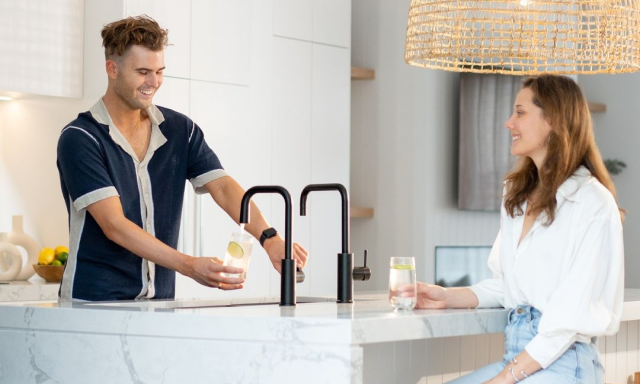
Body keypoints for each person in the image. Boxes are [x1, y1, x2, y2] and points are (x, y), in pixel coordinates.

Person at [56, 15, 308, 302]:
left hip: (159, 304)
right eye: (142, 72)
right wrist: (189, 266)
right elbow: (115, 225)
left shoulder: (180, 130)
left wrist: (270, 237)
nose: (154, 82)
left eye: (159, 71)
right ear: (112, 69)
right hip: (93, 304)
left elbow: (224, 188)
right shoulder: (80, 138)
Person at [407, 75, 624, 383]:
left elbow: (570, 316)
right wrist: (446, 296)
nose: (509, 123)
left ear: (552, 119)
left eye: (520, 112)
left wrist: (506, 378)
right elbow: (509, 285)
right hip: (519, 358)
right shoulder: (517, 195)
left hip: (565, 364)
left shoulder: (592, 202)